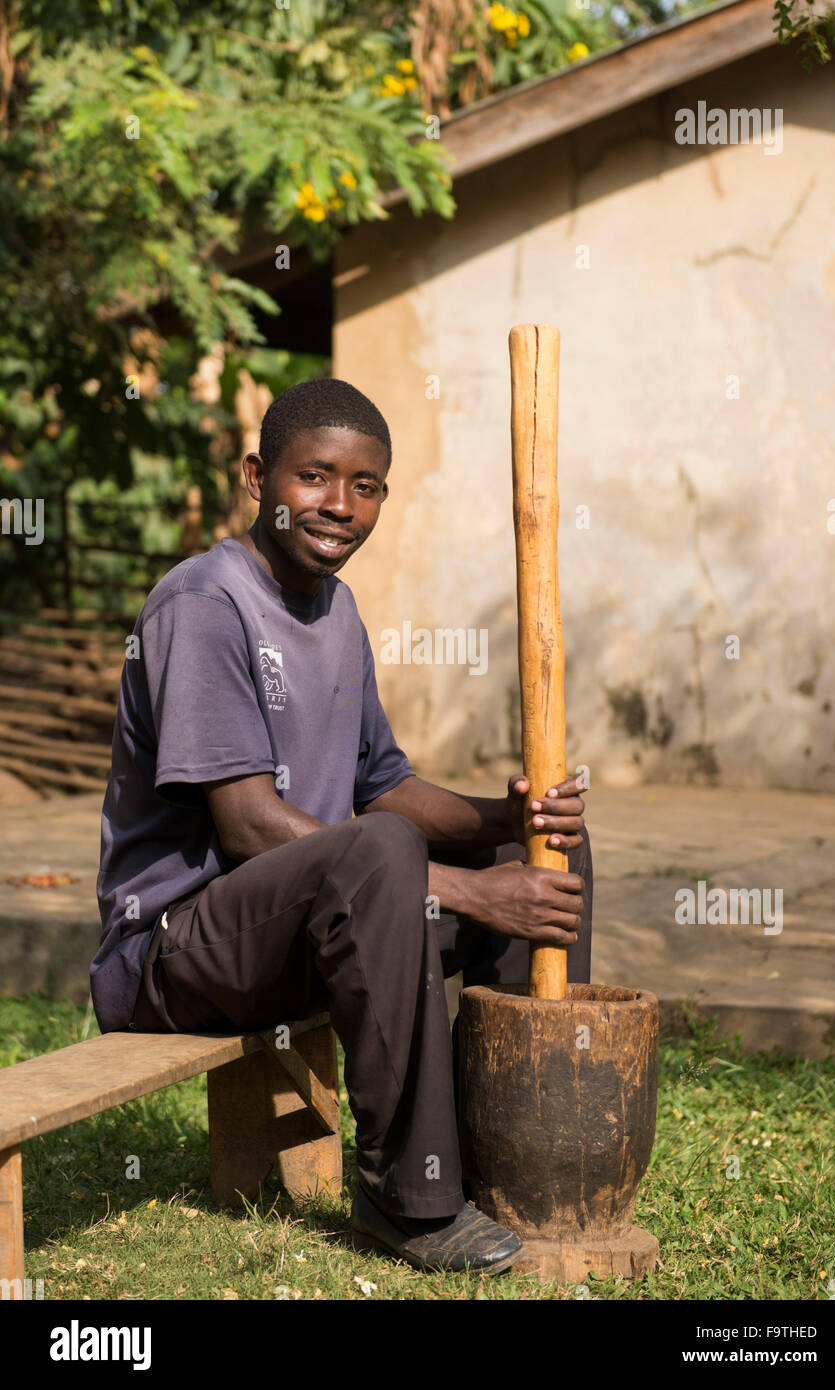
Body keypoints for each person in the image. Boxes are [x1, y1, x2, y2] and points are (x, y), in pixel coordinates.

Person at [91, 378, 592, 1275]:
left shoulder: (336, 608)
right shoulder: (204, 604)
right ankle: (409, 1198)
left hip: (303, 928)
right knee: (386, 856)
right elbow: (247, 827)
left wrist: (509, 821)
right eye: (313, 477)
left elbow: (384, 785)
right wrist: (474, 891)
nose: (338, 507)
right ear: (256, 478)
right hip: (174, 956)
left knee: (539, 849)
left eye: (364, 486)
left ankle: (516, 1154)